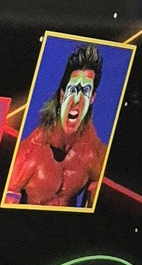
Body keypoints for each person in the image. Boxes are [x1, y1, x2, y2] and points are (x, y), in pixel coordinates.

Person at [7, 44, 111, 208]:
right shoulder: (29, 153)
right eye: (73, 90)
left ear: (92, 98)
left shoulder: (94, 152)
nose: (76, 100)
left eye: (85, 91)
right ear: (62, 96)